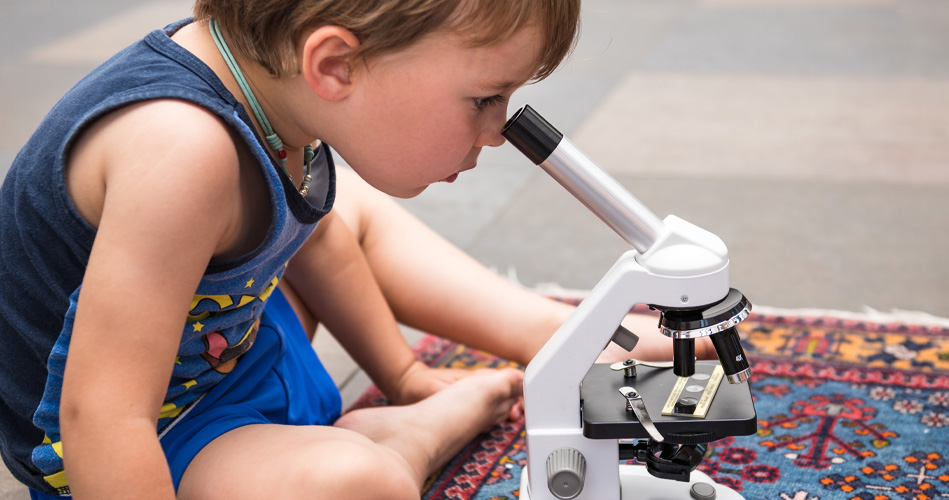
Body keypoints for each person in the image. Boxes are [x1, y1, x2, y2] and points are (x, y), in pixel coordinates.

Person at [0, 1, 714, 499]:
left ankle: (557, 336)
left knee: (348, 211)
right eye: (482, 99)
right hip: (144, 443)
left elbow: (319, 237)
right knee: (357, 483)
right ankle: (410, 437)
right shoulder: (179, 150)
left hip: (228, 354)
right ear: (336, 64)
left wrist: (399, 371)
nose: (497, 130)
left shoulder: (270, 84)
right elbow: (101, 419)